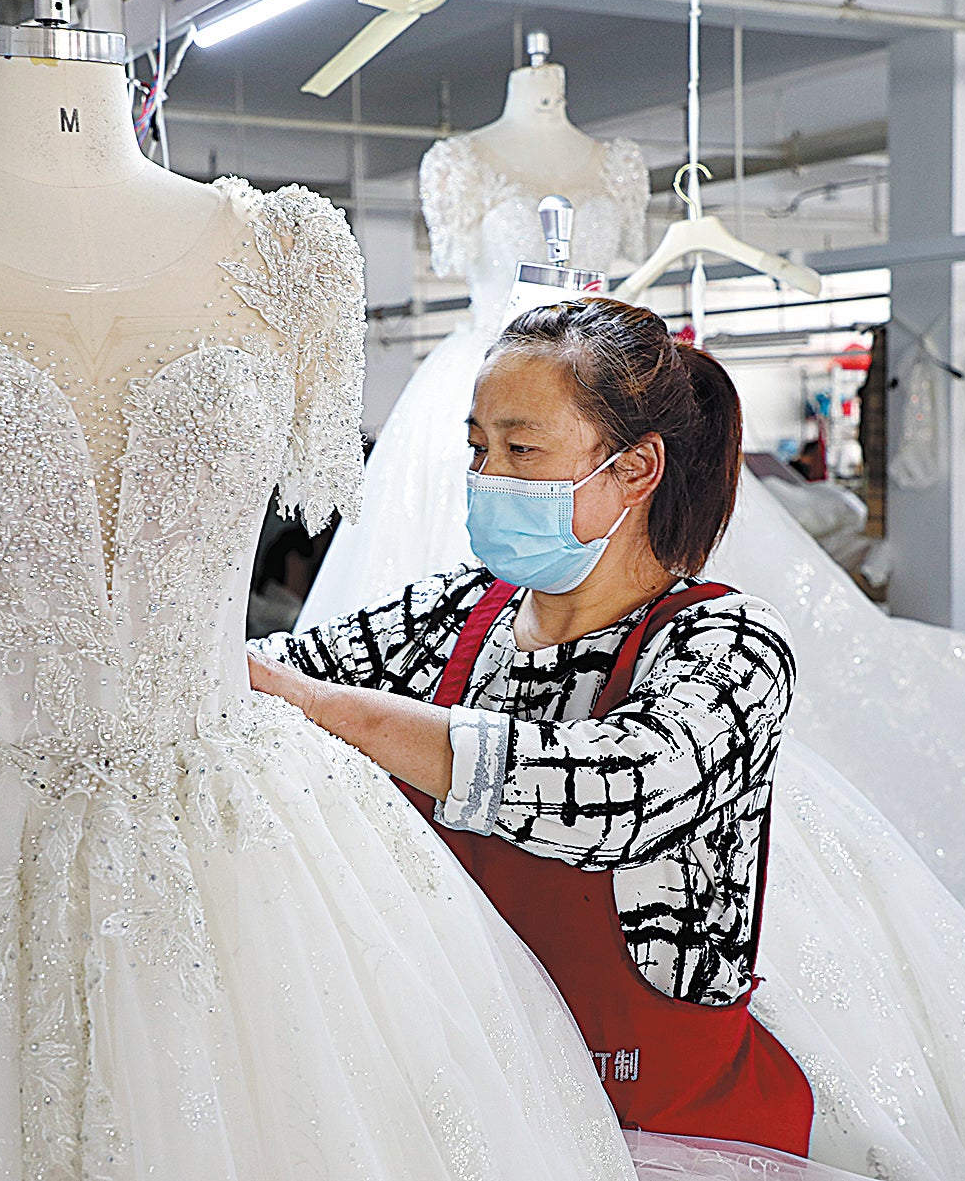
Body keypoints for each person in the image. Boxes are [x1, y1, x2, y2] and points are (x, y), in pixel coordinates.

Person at [251, 296, 815, 1155]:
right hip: (480, 1107)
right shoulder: (455, 615)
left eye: (521, 449)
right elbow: (283, 670)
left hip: (653, 1129)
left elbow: (613, 792)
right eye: (478, 448)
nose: (488, 475)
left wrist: (343, 714)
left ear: (634, 469)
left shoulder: (727, 646)